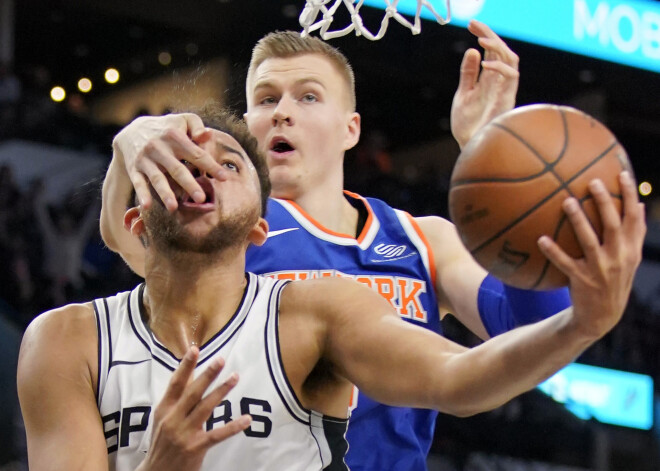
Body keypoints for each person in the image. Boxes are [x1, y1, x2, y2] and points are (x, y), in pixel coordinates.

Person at [19, 108, 645, 471]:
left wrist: (582, 324)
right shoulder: (67, 340)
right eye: (181, 163)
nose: (203, 169)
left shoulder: (316, 311)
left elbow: (462, 380)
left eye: (229, 164)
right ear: (136, 221)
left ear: (262, 226)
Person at [101, 23, 573, 469]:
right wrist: (128, 146)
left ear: (351, 128)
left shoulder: (422, 238)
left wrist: (493, 154)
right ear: (247, 128)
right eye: (266, 99)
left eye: (308, 96)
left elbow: (537, 329)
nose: (282, 110)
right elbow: (122, 235)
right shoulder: (222, 226)